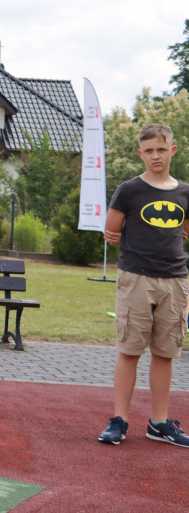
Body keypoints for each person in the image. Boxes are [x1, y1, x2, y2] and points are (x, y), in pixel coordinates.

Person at [98, 123, 189, 448]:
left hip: (175, 281)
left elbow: (185, 230)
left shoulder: (184, 192)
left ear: (172, 151)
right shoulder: (130, 190)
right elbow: (112, 230)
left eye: (161, 150)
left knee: (165, 353)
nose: (155, 156)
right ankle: (119, 420)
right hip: (136, 278)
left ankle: (160, 423)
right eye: (149, 150)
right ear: (140, 153)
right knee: (129, 349)